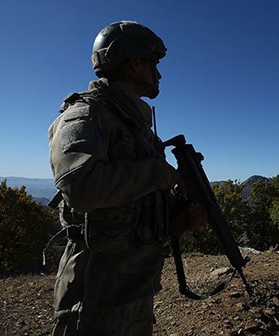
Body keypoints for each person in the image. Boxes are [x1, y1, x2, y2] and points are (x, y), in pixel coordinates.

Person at [47, 20, 205, 335]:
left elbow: (132, 206)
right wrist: (160, 173)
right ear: (134, 63)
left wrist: (178, 218)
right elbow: (82, 188)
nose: (158, 74)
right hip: (95, 295)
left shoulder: (136, 127)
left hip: (135, 288)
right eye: (153, 64)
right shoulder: (85, 115)